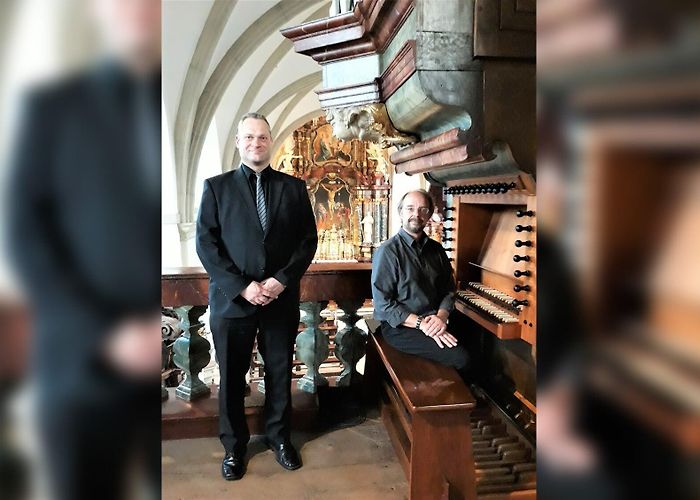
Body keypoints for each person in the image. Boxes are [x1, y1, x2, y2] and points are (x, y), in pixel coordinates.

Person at [5, 1, 162, 499]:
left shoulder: (171, 100)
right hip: (81, 364)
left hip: (165, 359)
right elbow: (24, 232)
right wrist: (109, 334)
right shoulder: (52, 108)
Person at [196, 113, 318, 481]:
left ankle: (281, 439)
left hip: (279, 300)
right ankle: (234, 449)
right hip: (233, 302)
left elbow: (307, 241)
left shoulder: (293, 188)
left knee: (280, 374)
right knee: (232, 378)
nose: (256, 143)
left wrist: (281, 280)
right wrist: (241, 286)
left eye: (262, 137)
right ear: (238, 142)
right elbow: (206, 244)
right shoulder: (217, 187)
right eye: (248, 137)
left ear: (271, 141)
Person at [371, 189, 468, 374]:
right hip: (401, 326)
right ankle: (454, 397)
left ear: (429, 214)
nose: (416, 214)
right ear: (401, 212)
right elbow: (384, 305)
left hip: (434, 320)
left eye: (423, 209)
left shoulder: (437, 250)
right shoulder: (388, 251)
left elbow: (448, 289)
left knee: (480, 341)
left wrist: (441, 317)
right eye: (410, 208)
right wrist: (423, 325)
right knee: (461, 358)